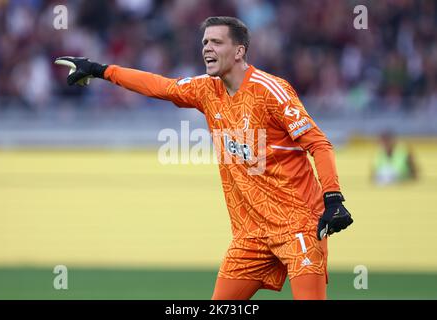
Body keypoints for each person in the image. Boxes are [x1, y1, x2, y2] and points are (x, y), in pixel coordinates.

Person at [55, 16, 353, 300]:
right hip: (251, 234)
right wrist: (99, 70)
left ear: (239, 51)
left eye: (216, 42)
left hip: (298, 224)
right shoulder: (206, 90)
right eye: (204, 42)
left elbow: (319, 144)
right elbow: (161, 86)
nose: (206, 48)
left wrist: (333, 198)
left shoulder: (271, 91)